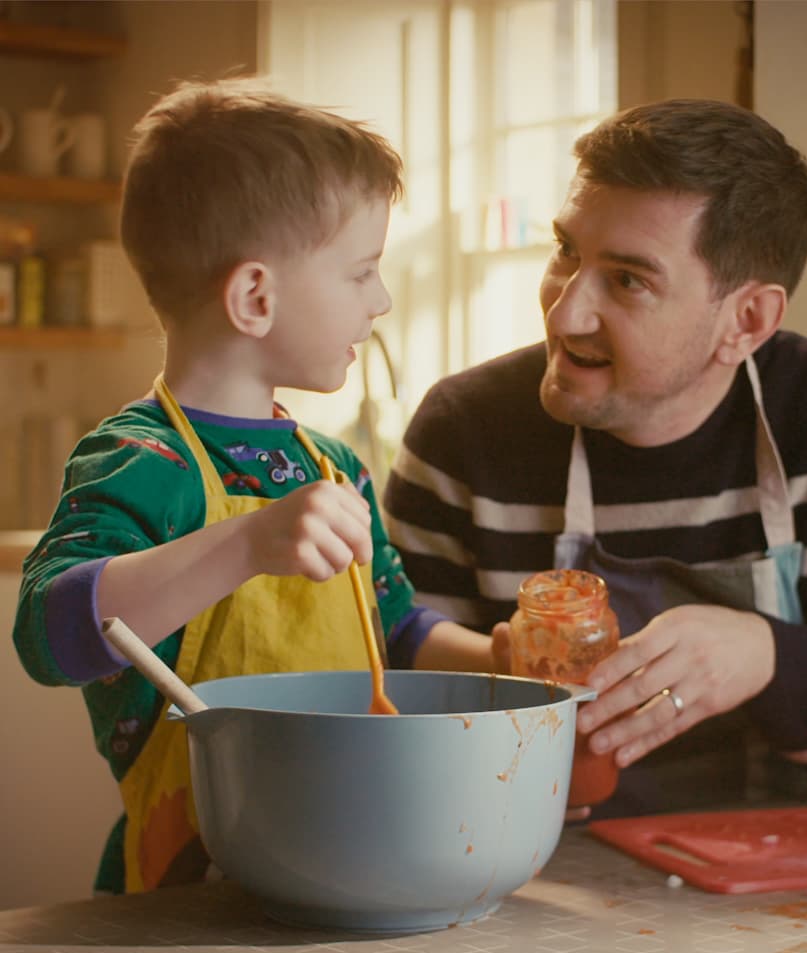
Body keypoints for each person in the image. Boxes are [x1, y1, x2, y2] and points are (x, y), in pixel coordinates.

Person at [383, 98, 807, 818]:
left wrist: (765, 658)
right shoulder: (464, 430)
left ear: (747, 321)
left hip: (772, 894)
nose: (564, 313)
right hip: (535, 884)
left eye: (628, 280)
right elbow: (391, 715)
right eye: (565, 252)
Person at [12, 78, 500, 894]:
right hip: (188, 901)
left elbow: (399, 630)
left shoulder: (333, 467)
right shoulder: (143, 460)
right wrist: (245, 542)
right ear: (254, 297)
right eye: (361, 272)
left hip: (351, 860)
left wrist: (505, 664)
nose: (380, 301)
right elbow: (47, 635)